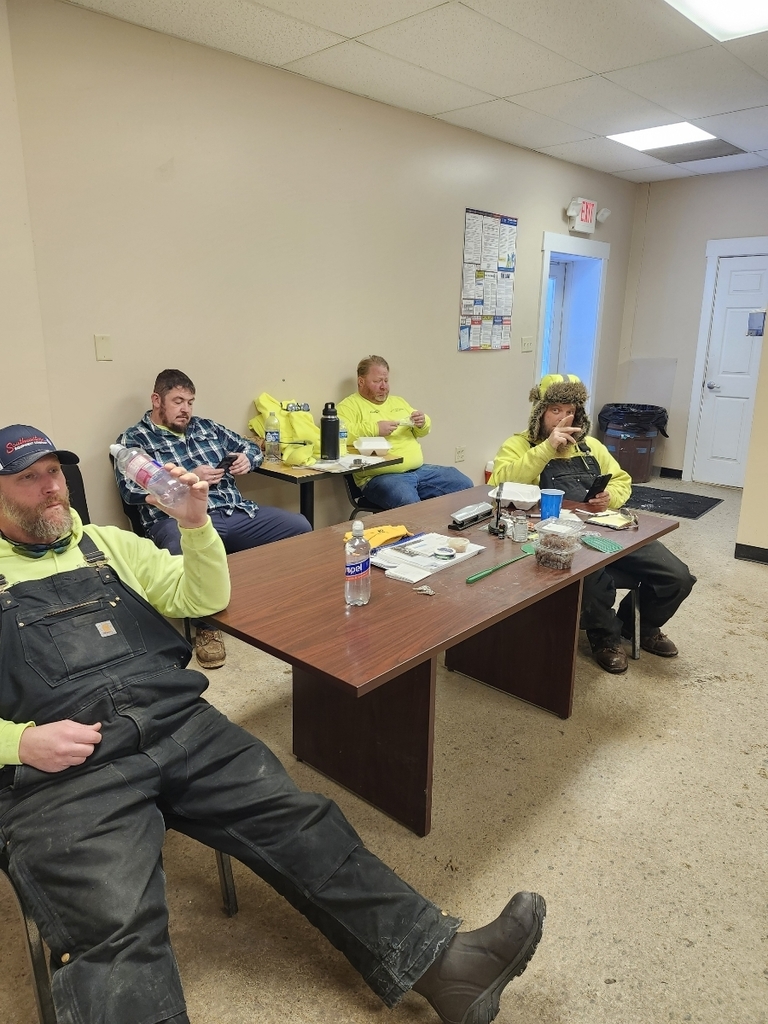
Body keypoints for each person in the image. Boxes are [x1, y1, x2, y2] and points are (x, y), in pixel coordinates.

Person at [0, 423, 546, 1024]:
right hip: (62, 765)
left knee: (302, 821)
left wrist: (194, 523)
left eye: (53, 471)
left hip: (175, 722)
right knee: (114, 920)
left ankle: (447, 967)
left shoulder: (106, 544)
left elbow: (199, 596)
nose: (52, 489)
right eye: (28, 478)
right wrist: (20, 741)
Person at [491, 374, 696, 674]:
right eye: (555, 410)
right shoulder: (519, 445)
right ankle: (605, 638)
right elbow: (500, 483)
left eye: (570, 410)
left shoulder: (592, 448)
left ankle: (638, 625)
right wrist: (547, 447)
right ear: (540, 412)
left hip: (608, 528)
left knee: (677, 577)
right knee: (592, 577)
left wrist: (609, 498)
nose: (563, 418)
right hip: (557, 539)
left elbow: (623, 481)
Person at [116, 369, 311, 669]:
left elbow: (247, 446)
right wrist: (189, 477)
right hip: (179, 520)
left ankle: (276, 607)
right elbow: (130, 491)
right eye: (178, 401)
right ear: (157, 400)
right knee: (180, 548)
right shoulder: (134, 440)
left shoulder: (206, 428)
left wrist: (249, 458)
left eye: (190, 402)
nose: (186, 409)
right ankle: (206, 626)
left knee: (300, 528)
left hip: (234, 511)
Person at [337, 355, 473, 509]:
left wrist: (422, 422)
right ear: (361, 381)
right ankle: (423, 533)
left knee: (464, 484)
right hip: (380, 477)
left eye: (386, 381)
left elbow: (421, 432)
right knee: (410, 505)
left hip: (420, 470)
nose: (384, 387)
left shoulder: (398, 402)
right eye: (377, 381)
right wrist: (375, 429)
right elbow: (337, 434)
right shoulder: (349, 406)